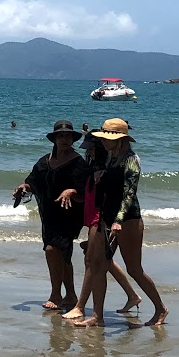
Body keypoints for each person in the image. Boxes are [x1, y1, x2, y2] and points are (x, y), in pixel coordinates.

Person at [82, 118, 166, 327]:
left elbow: (129, 193)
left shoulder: (131, 160)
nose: (102, 142)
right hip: (106, 217)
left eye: (107, 139)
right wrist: (102, 174)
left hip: (128, 220)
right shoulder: (112, 156)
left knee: (134, 269)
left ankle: (160, 309)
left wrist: (118, 221)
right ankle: (97, 317)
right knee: (98, 265)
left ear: (120, 140)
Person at [63, 134, 141, 324]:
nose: (88, 151)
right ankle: (131, 295)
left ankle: (81, 307)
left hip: (101, 217)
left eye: (91, 148)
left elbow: (119, 193)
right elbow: (87, 192)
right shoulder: (99, 165)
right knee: (100, 261)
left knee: (94, 261)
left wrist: (114, 220)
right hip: (94, 217)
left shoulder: (109, 165)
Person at [13, 119, 87, 313]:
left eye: (68, 136)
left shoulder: (78, 162)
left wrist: (71, 191)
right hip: (48, 213)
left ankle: (56, 294)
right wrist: (24, 187)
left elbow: (86, 190)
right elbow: (33, 180)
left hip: (69, 214)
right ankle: (70, 295)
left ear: (73, 139)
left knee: (52, 249)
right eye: (61, 136)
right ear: (54, 139)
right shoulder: (45, 160)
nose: (64, 139)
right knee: (62, 255)